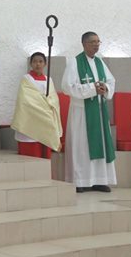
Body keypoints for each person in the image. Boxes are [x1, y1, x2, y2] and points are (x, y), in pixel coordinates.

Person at [63, 32, 116, 193]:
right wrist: (93, 88)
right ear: (84, 44)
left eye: (98, 41)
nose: (96, 45)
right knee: (82, 147)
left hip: (98, 112)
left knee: (100, 145)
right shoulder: (74, 62)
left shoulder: (100, 63)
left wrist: (105, 88)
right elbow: (67, 86)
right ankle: (80, 181)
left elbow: (111, 81)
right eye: (93, 42)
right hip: (82, 113)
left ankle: (100, 180)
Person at [11, 52, 63, 158]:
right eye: (34, 61)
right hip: (30, 119)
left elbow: (53, 99)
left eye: (40, 61)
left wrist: (47, 104)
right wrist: (43, 103)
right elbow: (25, 100)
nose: (37, 64)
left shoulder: (49, 80)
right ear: (31, 64)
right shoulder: (26, 79)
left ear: (45, 64)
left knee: (44, 153)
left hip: (45, 119)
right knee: (31, 156)